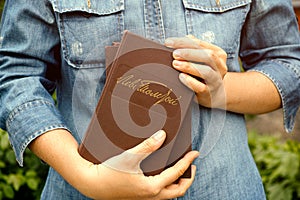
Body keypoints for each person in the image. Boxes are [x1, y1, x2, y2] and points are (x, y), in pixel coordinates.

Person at [0, 0, 299, 199]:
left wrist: (220, 90)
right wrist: (87, 177)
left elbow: (288, 63)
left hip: (226, 188)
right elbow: (17, 75)